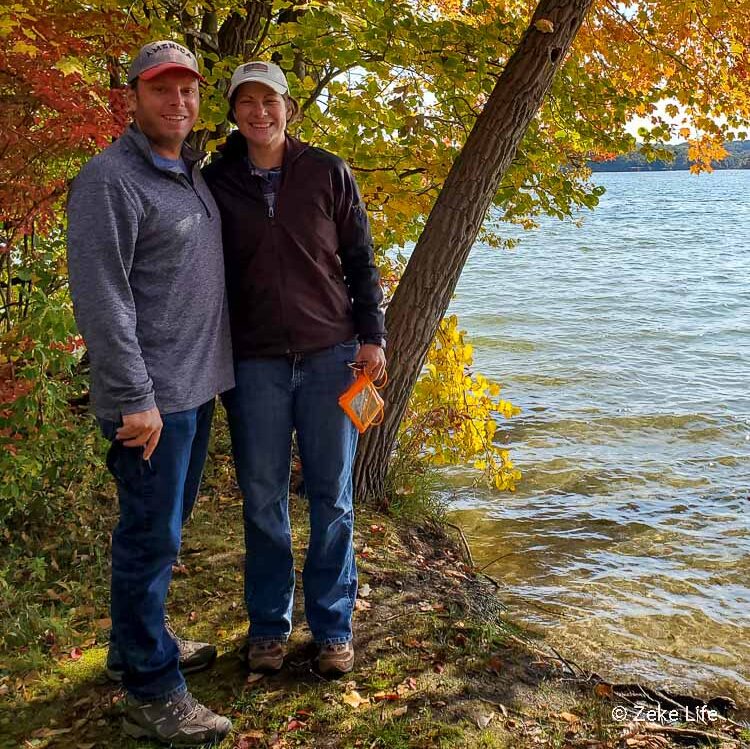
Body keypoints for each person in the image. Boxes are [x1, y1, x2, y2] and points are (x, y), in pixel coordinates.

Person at [67, 40, 234, 745]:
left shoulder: (190, 173)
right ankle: (152, 689)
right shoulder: (112, 180)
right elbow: (102, 299)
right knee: (149, 536)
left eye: (189, 90)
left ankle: (133, 644)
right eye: (163, 90)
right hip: (150, 404)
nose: (179, 101)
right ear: (132, 96)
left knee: (158, 534)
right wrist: (135, 395)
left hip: (193, 391)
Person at [203, 61, 386, 676]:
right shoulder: (216, 181)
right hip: (254, 362)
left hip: (332, 355)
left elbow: (360, 260)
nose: (260, 112)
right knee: (261, 497)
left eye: (271, 101)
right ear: (233, 113)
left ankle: (334, 629)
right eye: (247, 102)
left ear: (289, 109)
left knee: (332, 496)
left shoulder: (328, 172)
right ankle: (268, 628)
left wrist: (373, 337)